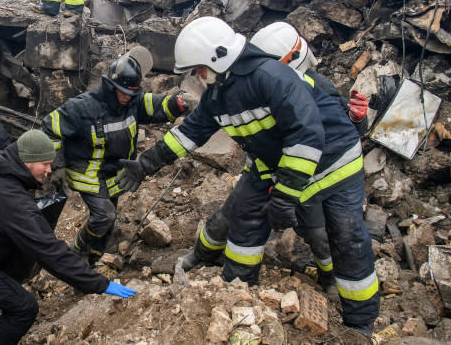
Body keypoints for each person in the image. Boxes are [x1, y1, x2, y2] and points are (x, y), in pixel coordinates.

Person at [115, 17, 380, 338]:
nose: (198, 76)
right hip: (279, 165)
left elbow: (306, 136)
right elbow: (189, 134)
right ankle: (238, 292)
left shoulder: (271, 77)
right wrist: (145, 164)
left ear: (219, 56)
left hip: (335, 163)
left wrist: (284, 196)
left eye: (199, 68)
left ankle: (360, 323)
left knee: (346, 238)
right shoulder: (218, 95)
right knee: (244, 218)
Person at [176, 22, 371, 292]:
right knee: (229, 215)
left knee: (318, 234)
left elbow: (338, 125)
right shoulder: (258, 83)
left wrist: (358, 118)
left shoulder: (314, 83)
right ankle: (202, 255)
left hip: (306, 173)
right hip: (264, 167)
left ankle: (331, 278)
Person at [0, 130, 136, 344]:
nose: (49, 170)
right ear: (27, 161)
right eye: (45, 164)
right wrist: (99, 283)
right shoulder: (12, 200)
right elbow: (48, 250)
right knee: (23, 308)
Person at [42, 54, 195, 264]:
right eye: (123, 93)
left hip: (114, 175)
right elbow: (51, 126)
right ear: (109, 86)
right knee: (105, 216)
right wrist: (56, 165)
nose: (127, 98)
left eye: (131, 94)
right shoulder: (82, 107)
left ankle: (91, 261)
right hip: (88, 176)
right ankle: (75, 254)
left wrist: (179, 102)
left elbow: (159, 106)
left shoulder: (133, 101)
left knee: (107, 224)